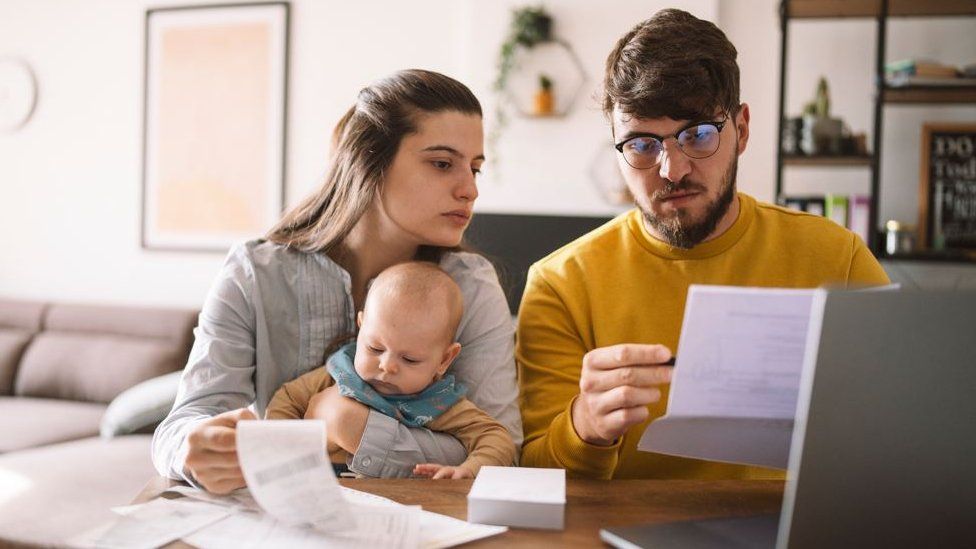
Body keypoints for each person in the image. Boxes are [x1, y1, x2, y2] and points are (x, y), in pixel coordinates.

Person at [516, 9, 890, 480]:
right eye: (641, 144)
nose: (672, 170)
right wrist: (585, 427)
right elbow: (532, 478)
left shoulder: (839, 259)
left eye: (698, 135)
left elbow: (904, 427)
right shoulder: (559, 284)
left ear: (743, 130)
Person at [152, 69, 522, 494]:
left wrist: (349, 424)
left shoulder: (471, 286)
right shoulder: (254, 273)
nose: (470, 190)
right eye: (442, 164)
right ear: (369, 162)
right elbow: (181, 425)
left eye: (474, 168)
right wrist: (192, 450)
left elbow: (502, 446)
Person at [265, 261, 516, 479]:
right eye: (374, 348)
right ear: (361, 327)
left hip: (400, 500)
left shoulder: (439, 402)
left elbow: (497, 439)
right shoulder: (339, 373)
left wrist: (470, 469)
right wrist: (279, 453)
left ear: (444, 359)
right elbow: (287, 399)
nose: (387, 366)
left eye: (409, 359)